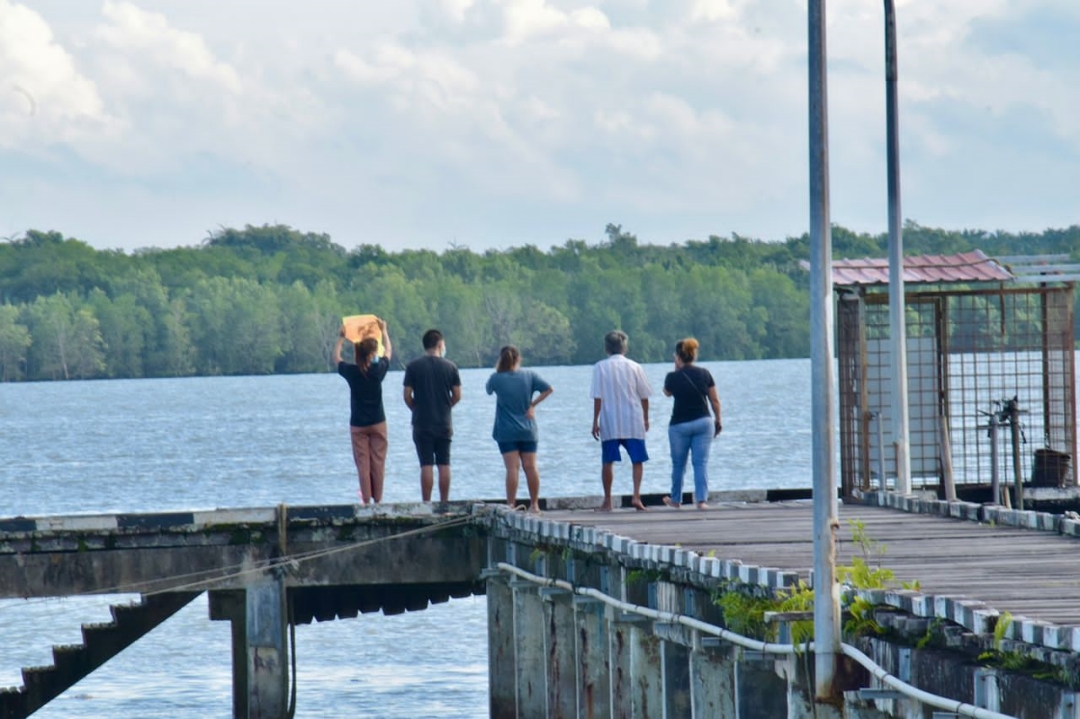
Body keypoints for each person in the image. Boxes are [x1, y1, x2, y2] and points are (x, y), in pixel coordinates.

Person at [485, 346, 554, 514]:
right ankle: (535, 505)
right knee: (530, 466)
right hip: (528, 429)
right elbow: (548, 389)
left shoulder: (496, 378)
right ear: (518, 359)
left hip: (506, 430)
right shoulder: (530, 376)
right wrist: (532, 405)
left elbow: (488, 390)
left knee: (512, 468)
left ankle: (510, 505)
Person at [590, 330, 652, 511]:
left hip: (610, 420)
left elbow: (597, 397)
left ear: (606, 348)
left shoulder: (600, 367)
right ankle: (636, 496)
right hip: (633, 419)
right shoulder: (635, 366)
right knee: (637, 460)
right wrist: (646, 418)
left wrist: (595, 421)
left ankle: (608, 500)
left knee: (608, 461)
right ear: (625, 347)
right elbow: (644, 396)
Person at [334, 319, 393, 504]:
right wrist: (384, 332)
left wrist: (341, 339)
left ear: (358, 352)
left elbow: (336, 359)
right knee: (378, 463)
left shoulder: (352, 371)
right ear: (374, 352)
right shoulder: (378, 370)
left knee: (363, 464)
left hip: (358, 423)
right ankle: (379, 500)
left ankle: (366, 500)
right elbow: (389, 353)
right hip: (378, 422)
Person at [662, 338, 722, 510]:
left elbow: (667, 393)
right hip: (703, 422)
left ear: (678, 357)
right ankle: (701, 501)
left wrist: (676, 369)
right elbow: (715, 400)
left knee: (678, 464)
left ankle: (676, 500)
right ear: (694, 355)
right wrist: (718, 419)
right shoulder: (705, 373)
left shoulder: (672, 377)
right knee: (700, 462)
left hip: (679, 425)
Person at [403, 329, 461, 503]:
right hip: (444, 422)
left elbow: (407, 395)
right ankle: (444, 502)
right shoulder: (450, 367)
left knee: (426, 464)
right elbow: (457, 395)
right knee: (444, 464)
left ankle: (426, 502)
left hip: (422, 422)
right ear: (439, 344)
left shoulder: (413, 366)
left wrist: (416, 409)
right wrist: (446, 406)